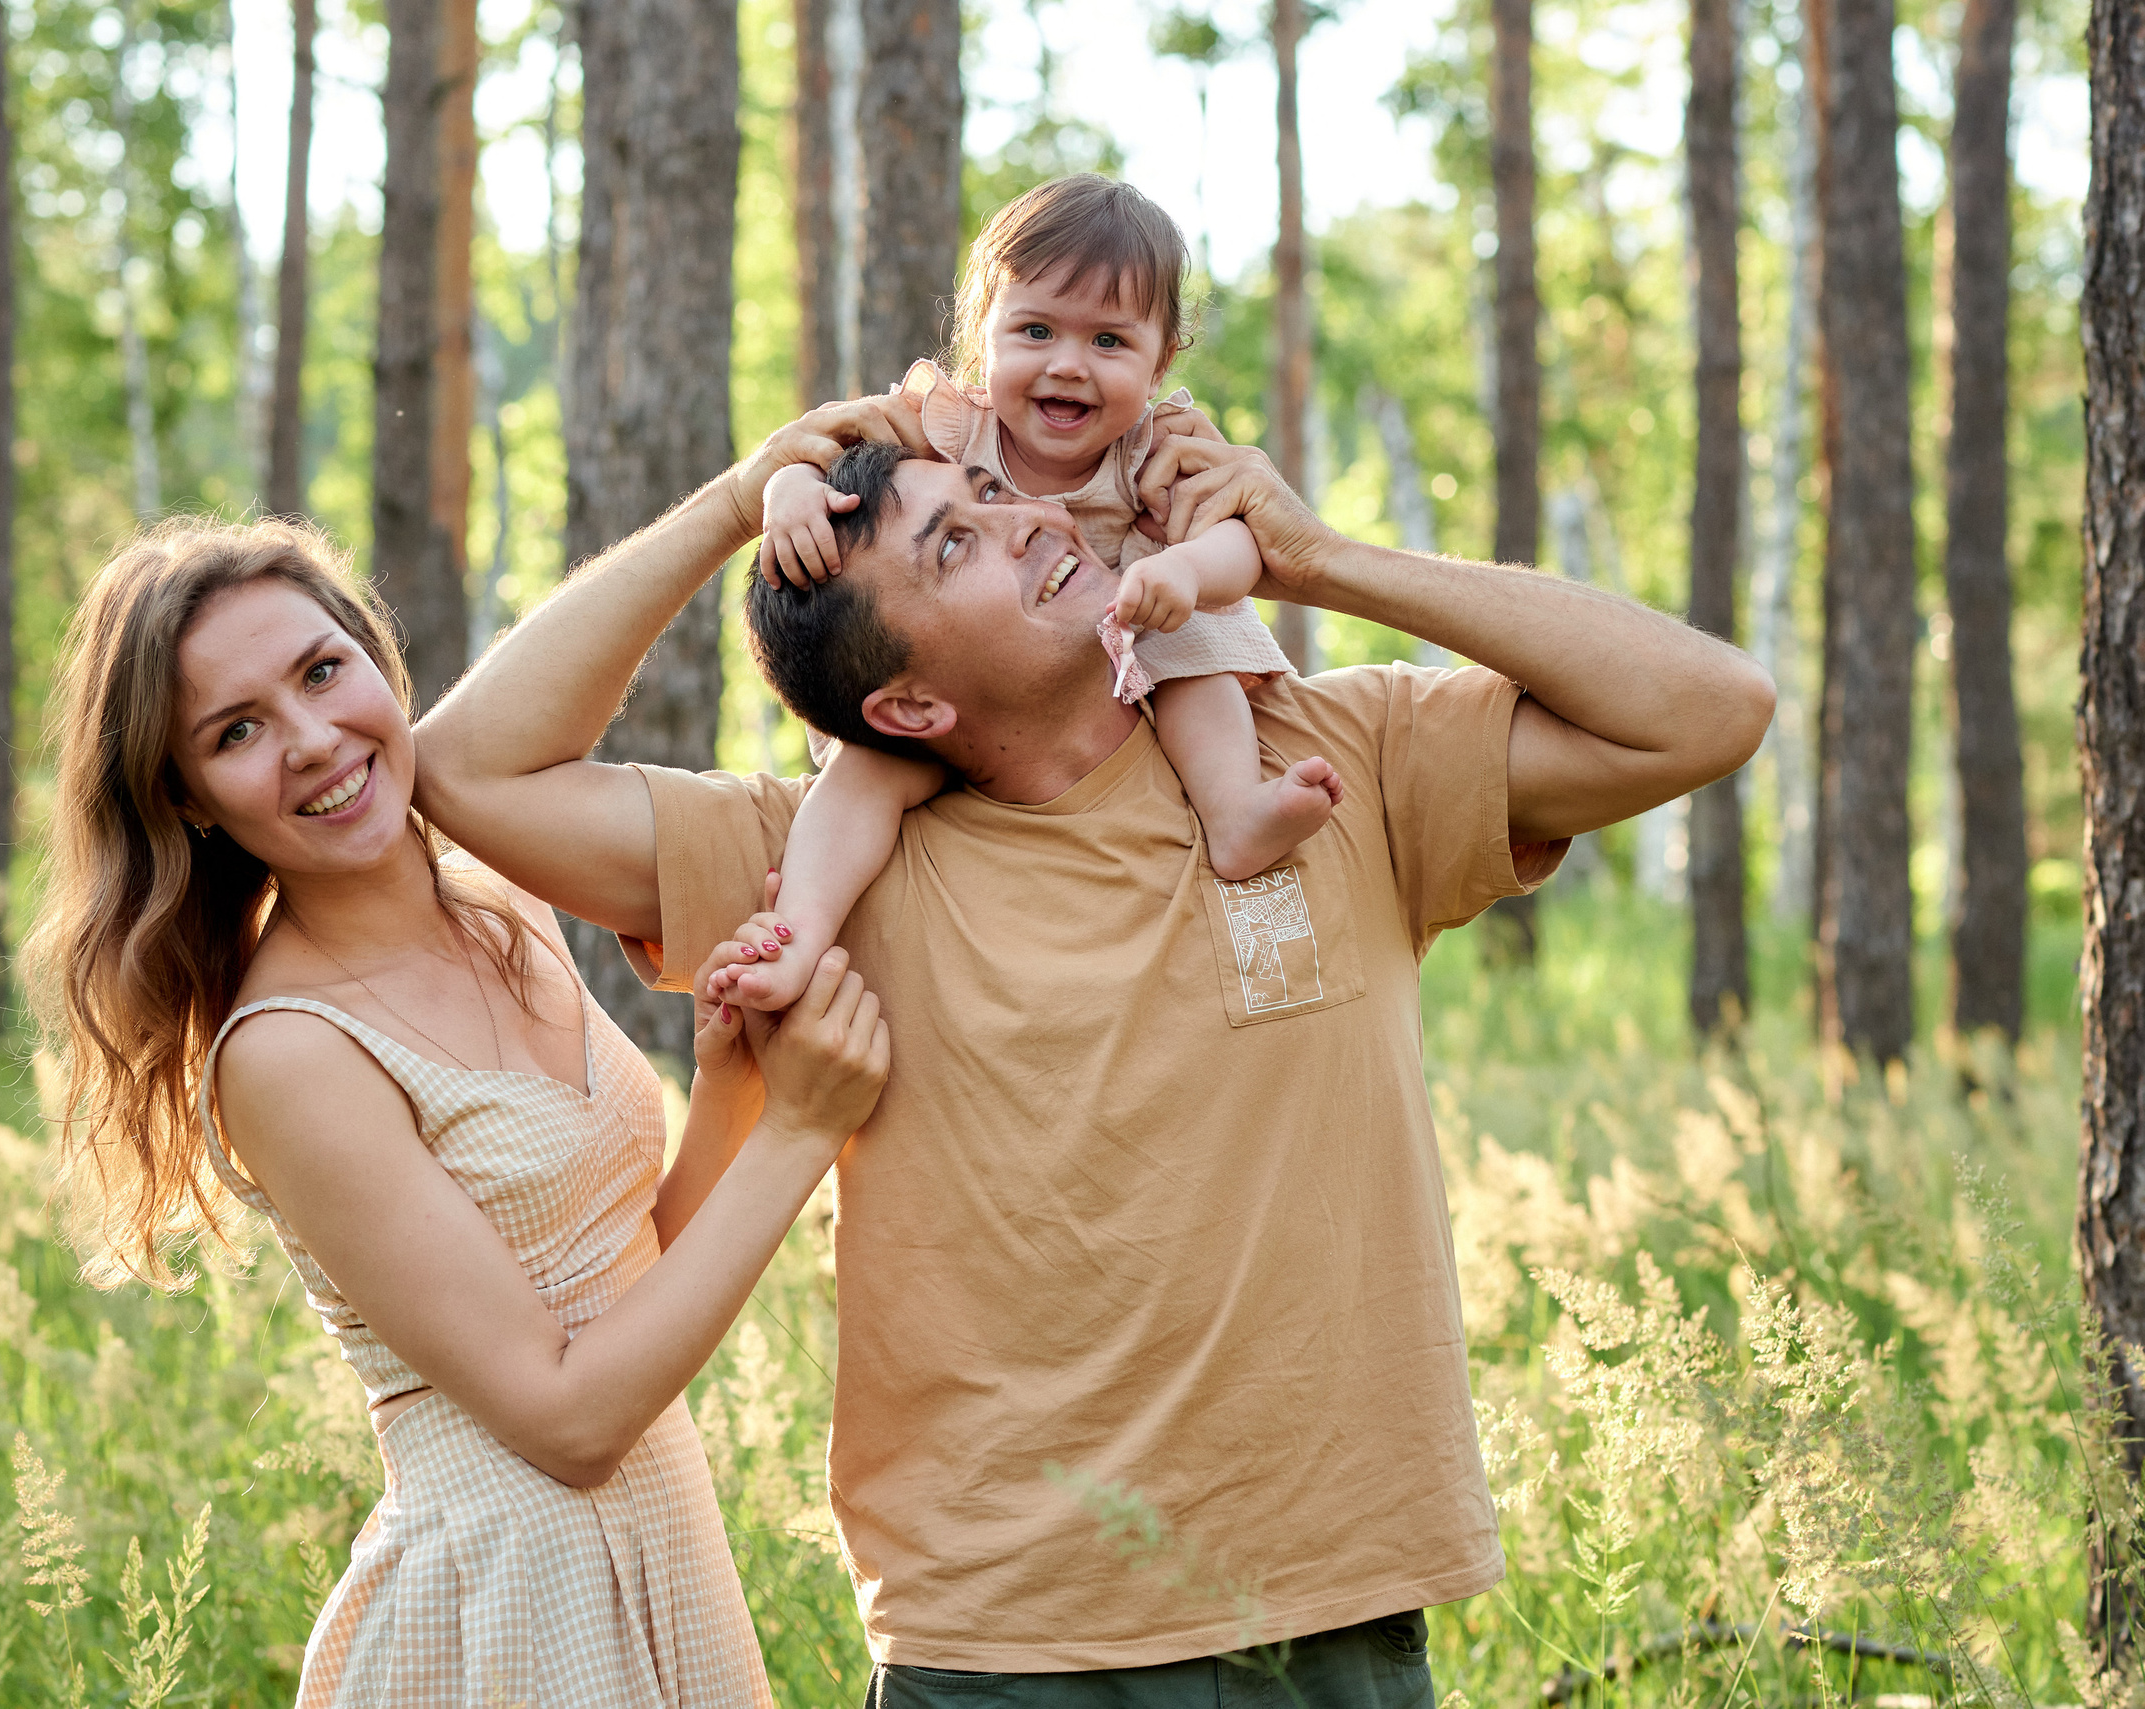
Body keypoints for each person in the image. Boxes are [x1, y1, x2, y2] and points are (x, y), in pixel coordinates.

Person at [414, 389, 1772, 1705]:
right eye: (955, 543)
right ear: (906, 708)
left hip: (1322, 1614)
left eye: (994, 499)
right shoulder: (820, 864)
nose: (1028, 525)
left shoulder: (1327, 758)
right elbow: (469, 770)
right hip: (1001, 1646)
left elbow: (1713, 709)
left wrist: (1326, 561)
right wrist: (731, 502)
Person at [20, 518, 892, 1708]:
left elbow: (629, 1295)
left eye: (324, 671)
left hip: (663, 1564)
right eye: (238, 731)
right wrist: (797, 1134)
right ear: (190, 800)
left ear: (377, 658)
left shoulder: (493, 896)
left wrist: (734, 1087)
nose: (315, 739)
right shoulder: (289, 1053)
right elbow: (573, 1421)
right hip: (506, 1616)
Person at [734, 176, 1341, 1010]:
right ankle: (799, 929)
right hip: (970, 680)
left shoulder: (1154, 451)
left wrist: (1187, 572)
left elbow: (1242, 538)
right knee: (866, 773)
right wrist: (790, 491)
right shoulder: (948, 423)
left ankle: (1233, 812)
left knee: (1198, 649)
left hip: (1142, 618)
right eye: (1036, 329)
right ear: (983, 336)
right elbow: (829, 445)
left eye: (1109, 342)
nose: (1067, 364)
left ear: (1161, 361)